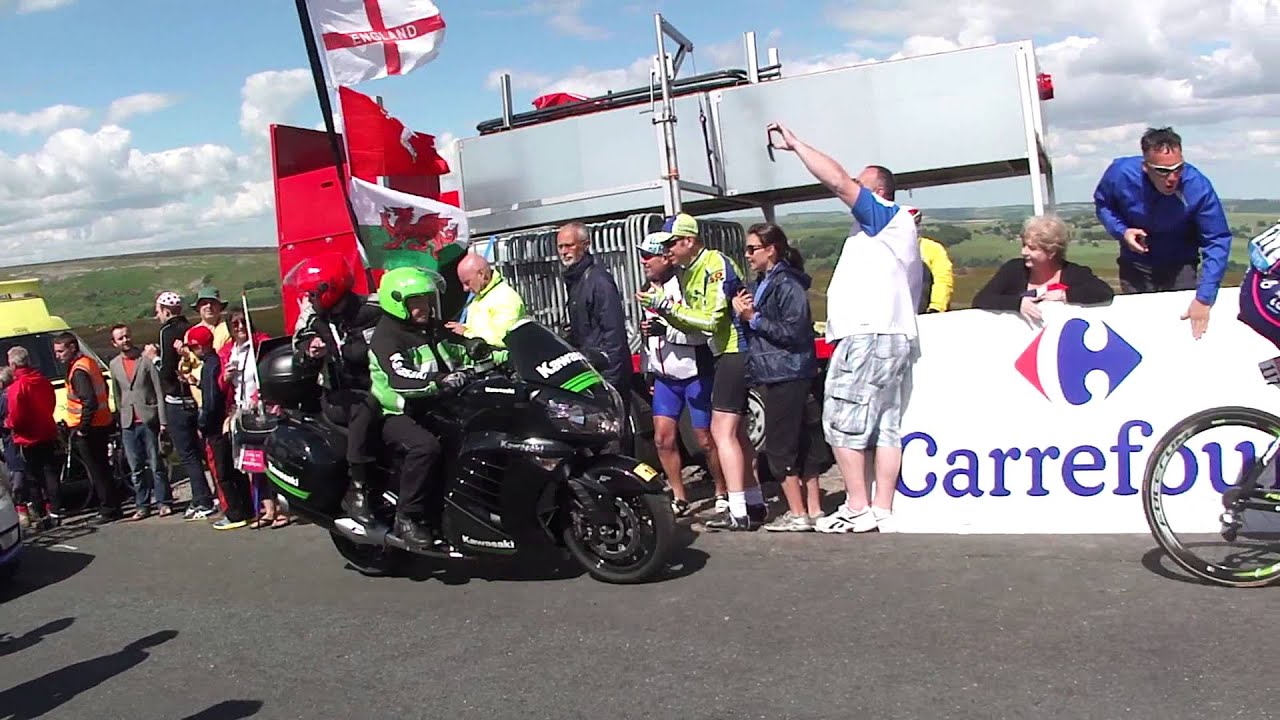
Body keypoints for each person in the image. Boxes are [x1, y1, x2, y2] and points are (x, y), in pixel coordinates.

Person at [767, 122, 922, 534]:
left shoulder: (885, 218)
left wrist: (798, 145)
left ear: (878, 191)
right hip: (893, 333)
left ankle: (858, 504)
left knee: (840, 420)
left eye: (861, 183)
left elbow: (835, 180)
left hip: (868, 334)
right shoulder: (896, 229)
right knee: (886, 425)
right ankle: (882, 507)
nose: (853, 186)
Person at [640, 213, 765, 530]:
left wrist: (666, 308)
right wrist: (664, 315)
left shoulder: (713, 264)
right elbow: (689, 322)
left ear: (688, 241)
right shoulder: (688, 270)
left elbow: (710, 322)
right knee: (734, 433)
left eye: (671, 244)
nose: (667, 251)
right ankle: (754, 502)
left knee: (720, 434)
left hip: (735, 349)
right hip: (722, 351)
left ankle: (736, 509)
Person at [369, 266, 487, 550]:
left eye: (425, 300)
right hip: (397, 412)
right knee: (426, 448)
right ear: (398, 303)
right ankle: (407, 517)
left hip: (433, 404)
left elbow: (457, 349)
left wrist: (494, 351)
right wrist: (439, 380)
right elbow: (401, 378)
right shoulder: (387, 338)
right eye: (416, 302)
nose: (423, 307)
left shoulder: (430, 327)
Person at [732, 223, 830, 531]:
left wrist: (752, 318)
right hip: (781, 369)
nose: (747, 255)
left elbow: (793, 330)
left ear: (771, 249)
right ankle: (812, 509)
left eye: (752, 249)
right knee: (801, 441)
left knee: (780, 446)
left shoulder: (785, 283)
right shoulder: (765, 281)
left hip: (786, 371)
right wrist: (746, 315)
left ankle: (798, 512)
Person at [1093, 126, 1233, 339]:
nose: (1172, 178)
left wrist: (1204, 298)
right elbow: (1104, 205)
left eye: (1178, 169)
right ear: (1145, 167)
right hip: (1135, 265)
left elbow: (1217, 239)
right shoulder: (1120, 174)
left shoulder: (1197, 186)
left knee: (1182, 329)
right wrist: (1123, 232)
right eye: (1162, 171)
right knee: (1141, 332)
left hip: (1180, 265)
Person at [635, 231, 726, 518]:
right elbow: (649, 335)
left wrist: (668, 332)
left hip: (694, 372)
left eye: (648, 256)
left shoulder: (685, 284)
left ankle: (722, 490)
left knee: (704, 439)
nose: (643, 261)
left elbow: (700, 333)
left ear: (665, 257)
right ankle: (679, 496)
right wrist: (647, 369)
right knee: (663, 439)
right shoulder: (645, 288)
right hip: (665, 378)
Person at [287, 253, 383, 524]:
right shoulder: (313, 317)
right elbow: (301, 342)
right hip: (340, 396)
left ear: (331, 288)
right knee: (366, 408)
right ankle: (358, 488)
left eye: (313, 293)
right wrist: (310, 349)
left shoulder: (373, 308)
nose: (310, 299)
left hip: (385, 386)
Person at [557, 221, 634, 435]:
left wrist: (611, 382)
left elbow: (614, 334)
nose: (564, 252)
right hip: (590, 372)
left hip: (606, 374)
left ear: (585, 245)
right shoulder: (576, 279)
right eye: (561, 247)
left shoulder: (598, 281)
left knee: (613, 434)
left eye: (569, 245)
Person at [972, 214, 1115, 323]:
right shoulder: (1013, 269)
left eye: (1032, 248)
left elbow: (1104, 292)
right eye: (1024, 246)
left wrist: (1064, 295)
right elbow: (982, 299)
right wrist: (1017, 304)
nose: (1024, 252)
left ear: (1051, 252)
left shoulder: (1074, 273)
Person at [219, 309, 288, 528]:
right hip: (241, 411)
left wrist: (258, 395)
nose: (239, 327)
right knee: (253, 462)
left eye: (243, 322)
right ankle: (267, 510)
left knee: (272, 460)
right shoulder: (228, 351)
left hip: (264, 407)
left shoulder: (261, 344)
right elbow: (221, 386)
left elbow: (268, 374)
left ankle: (283, 510)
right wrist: (226, 377)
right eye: (235, 324)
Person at [153, 291, 217, 520]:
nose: (157, 315)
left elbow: (167, 369)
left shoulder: (167, 332)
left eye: (158, 311)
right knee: (203, 450)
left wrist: (154, 358)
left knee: (188, 453)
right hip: (195, 395)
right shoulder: (190, 328)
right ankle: (218, 493)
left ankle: (202, 499)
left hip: (177, 400)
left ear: (165, 311)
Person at [186, 324, 252, 530]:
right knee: (235, 469)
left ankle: (234, 513)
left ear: (200, 346)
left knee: (222, 473)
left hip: (215, 426)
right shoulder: (217, 362)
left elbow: (212, 399)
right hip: (225, 421)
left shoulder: (209, 366)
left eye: (193, 347)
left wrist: (203, 423)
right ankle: (247, 509)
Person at [52, 332, 121, 524]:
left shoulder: (78, 371)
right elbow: (103, 390)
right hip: (102, 422)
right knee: (103, 468)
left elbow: (88, 401)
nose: (58, 355)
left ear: (72, 348)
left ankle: (108, 508)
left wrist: (82, 427)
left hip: (89, 428)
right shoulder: (88, 363)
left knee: (97, 470)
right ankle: (112, 504)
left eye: (60, 351)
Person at [108, 324, 173, 519]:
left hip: (148, 419)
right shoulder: (114, 365)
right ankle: (142, 505)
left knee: (156, 464)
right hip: (128, 421)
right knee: (135, 467)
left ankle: (163, 502)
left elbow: (159, 392)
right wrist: (120, 418)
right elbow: (117, 394)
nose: (125, 340)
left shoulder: (146, 361)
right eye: (120, 338)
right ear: (114, 343)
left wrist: (163, 420)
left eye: (127, 336)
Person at [4, 347, 61, 528]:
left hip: (28, 438)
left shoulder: (17, 387)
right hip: (47, 431)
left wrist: (9, 424)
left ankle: (42, 515)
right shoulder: (42, 381)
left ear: (13, 364)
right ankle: (56, 511)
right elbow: (52, 402)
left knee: (34, 478)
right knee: (50, 474)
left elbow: (16, 416)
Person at [447, 251, 528, 349]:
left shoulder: (504, 297)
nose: (465, 288)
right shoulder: (482, 296)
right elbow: (484, 328)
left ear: (481, 274)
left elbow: (503, 339)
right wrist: (464, 327)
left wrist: (466, 332)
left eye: (467, 282)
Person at [902, 206, 954, 314]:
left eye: (916, 224)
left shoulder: (933, 249)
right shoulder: (888, 248)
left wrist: (936, 307)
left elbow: (942, 279)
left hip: (926, 312)